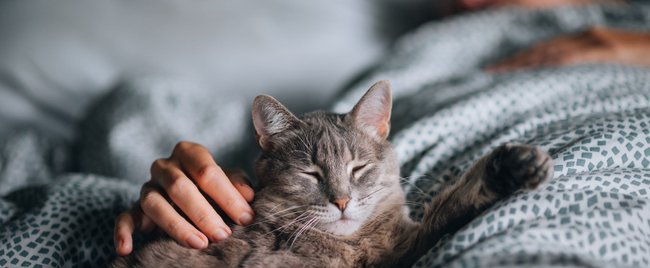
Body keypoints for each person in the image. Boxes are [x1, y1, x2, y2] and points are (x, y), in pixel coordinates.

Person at [113, 0, 650, 256]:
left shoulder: (629, 23)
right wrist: (191, 188)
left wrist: (629, 44)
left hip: (602, 136)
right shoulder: (409, 52)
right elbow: (138, 116)